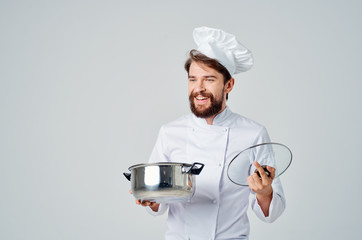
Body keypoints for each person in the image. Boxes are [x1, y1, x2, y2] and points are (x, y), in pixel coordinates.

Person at [132, 26, 286, 240]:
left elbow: (272, 213)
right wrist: (150, 198)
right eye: (193, 79)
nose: (199, 88)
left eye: (209, 79)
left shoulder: (253, 134)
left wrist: (263, 192)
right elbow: (158, 202)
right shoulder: (170, 132)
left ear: (229, 85)